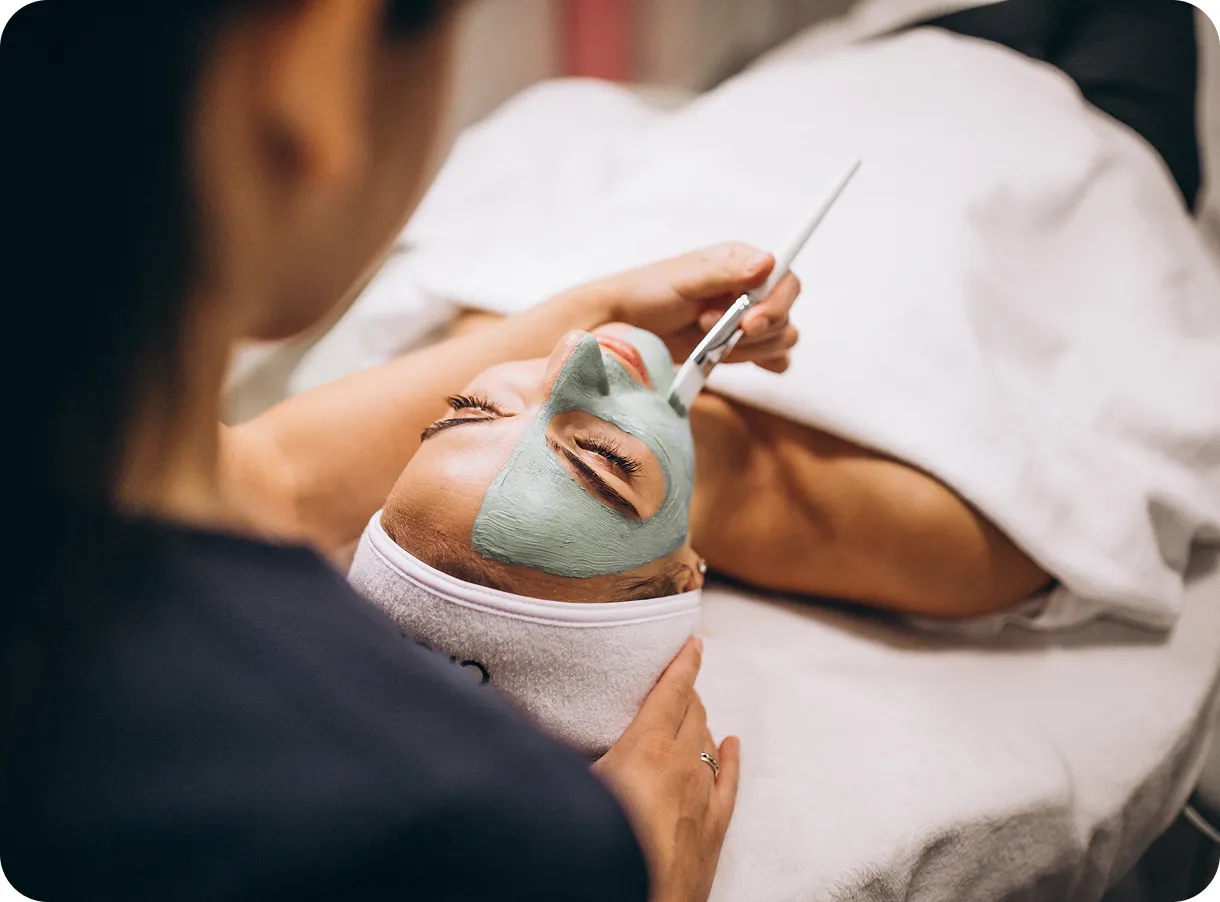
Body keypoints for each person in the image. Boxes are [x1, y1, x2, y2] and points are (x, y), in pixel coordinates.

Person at [0, 3, 811, 899]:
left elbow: (275, 476)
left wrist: (597, 307)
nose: (569, 361)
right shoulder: (491, 839)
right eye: (598, 465)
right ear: (320, 65)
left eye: (458, 410)